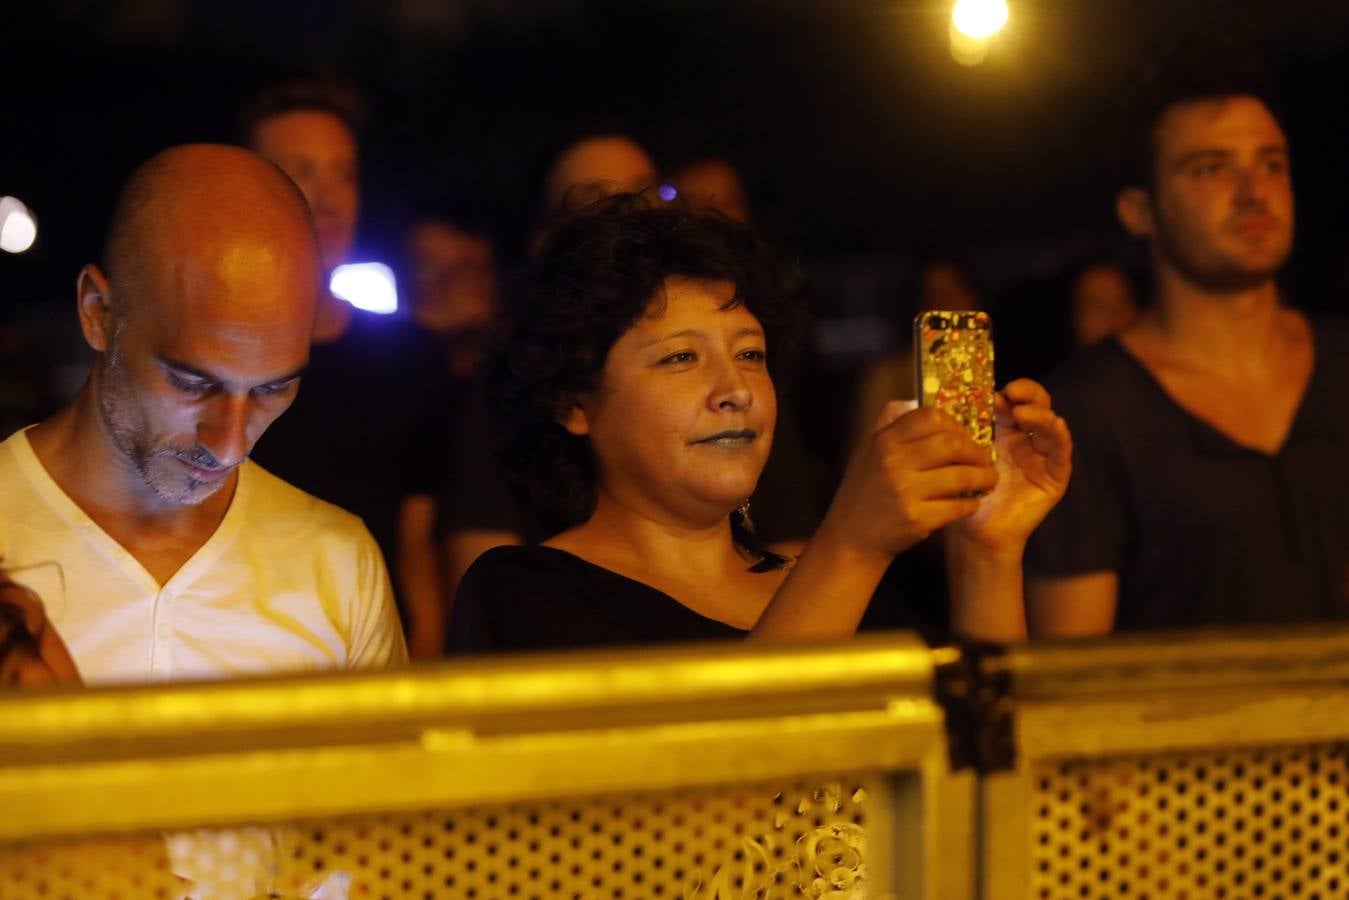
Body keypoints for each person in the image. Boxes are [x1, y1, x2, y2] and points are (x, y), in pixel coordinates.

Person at [448, 195, 1071, 653]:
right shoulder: (524, 594)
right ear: (574, 403)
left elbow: (983, 793)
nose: (736, 391)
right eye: (680, 358)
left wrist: (989, 551)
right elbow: (704, 798)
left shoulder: (843, 586)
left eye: (750, 354)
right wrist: (851, 541)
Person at [0, 144, 407, 683]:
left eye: (273, 388)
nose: (231, 444)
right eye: (193, 382)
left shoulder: (338, 564)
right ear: (98, 313)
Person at [1025, 38, 1349, 635]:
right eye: (1211, 168)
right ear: (1138, 211)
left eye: (1272, 163)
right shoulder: (1084, 414)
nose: (1255, 191)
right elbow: (1068, 690)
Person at [240, 74, 449, 658]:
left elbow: (416, 545)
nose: (329, 196)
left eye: (344, 173)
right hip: (236, 647)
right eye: (300, 171)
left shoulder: (409, 356)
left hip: (373, 648)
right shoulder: (216, 362)